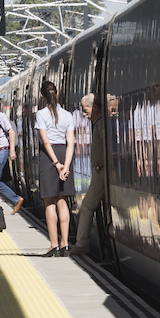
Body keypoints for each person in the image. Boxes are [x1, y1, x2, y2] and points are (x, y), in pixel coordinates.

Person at [35, 80, 74, 257]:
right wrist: (65, 164)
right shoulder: (68, 114)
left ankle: (54, 245)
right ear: (57, 93)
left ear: (43, 95)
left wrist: (56, 164)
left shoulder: (41, 114)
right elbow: (71, 142)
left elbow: (45, 141)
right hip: (64, 153)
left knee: (49, 202)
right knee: (63, 201)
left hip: (48, 157)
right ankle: (66, 244)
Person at [70, 94, 108, 257]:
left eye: (84, 109)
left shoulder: (100, 126)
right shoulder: (99, 124)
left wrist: (101, 163)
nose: (82, 112)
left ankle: (81, 243)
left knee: (86, 206)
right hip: (100, 171)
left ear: (95, 108)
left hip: (102, 172)